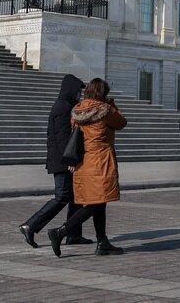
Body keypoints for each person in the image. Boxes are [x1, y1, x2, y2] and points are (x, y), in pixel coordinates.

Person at [45, 78, 127, 257]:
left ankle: (102, 241)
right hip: (100, 161)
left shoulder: (77, 110)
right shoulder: (105, 109)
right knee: (95, 204)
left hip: (83, 163)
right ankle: (60, 232)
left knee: (99, 202)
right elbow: (121, 122)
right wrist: (111, 103)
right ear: (102, 93)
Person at [19, 74, 92, 248]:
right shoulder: (62, 108)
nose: (79, 95)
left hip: (64, 159)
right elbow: (62, 139)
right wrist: (70, 160)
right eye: (78, 92)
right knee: (62, 197)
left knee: (75, 197)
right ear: (71, 90)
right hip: (62, 161)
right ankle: (30, 225)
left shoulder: (67, 106)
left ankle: (73, 234)